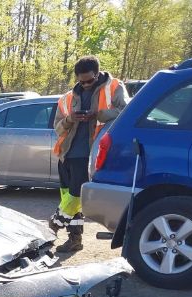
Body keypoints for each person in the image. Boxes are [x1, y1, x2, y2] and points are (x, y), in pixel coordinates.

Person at [50, 56, 128, 252]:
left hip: (90, 155)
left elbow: (126, 112)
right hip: (66, 154)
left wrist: (98, 114)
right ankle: (74, 240)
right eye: (80, 81)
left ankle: (52, 226)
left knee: (76, 197)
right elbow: (57, 128)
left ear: (98, 73)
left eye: (89, 80)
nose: (84, 85)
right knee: (68, 199)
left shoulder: (114, 87)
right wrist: (69, 119)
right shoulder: (67, 97)